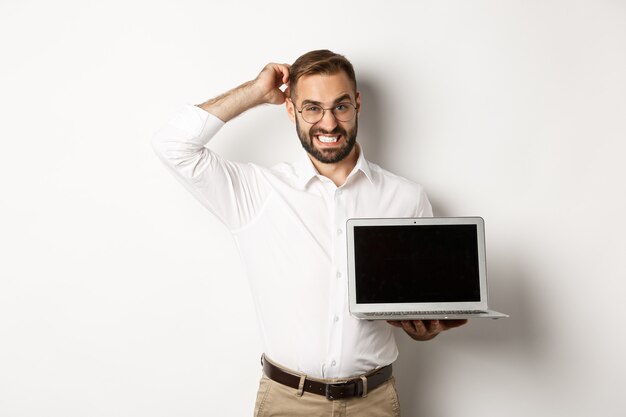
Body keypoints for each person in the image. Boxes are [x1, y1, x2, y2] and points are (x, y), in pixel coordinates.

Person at [152, 49, 467, 417]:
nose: (328, 124)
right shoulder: (258, 192)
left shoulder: (406, 198)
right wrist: (255, 91)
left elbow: (419, 306)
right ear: (291, 110)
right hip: (288, 403)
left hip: (374, 403)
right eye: (312, 108)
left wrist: (423, 328)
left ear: (358, 105)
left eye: (340, 106)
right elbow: (172, 146)